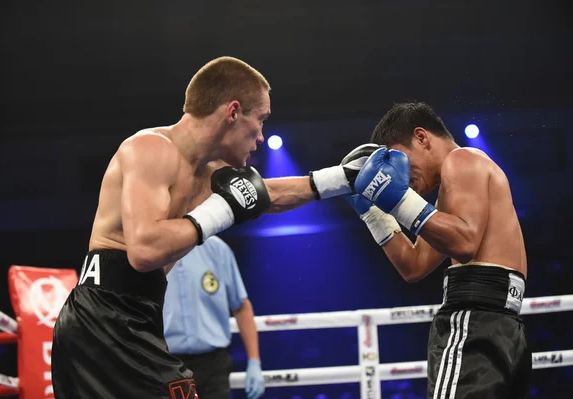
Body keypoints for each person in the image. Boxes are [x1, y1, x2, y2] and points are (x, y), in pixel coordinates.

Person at [51, 55, 376, 398]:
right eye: (261, 120)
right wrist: (220, 211)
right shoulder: (149, 149)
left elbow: (269, 194)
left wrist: (342, 179)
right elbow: (145, 250)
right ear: (233, 112)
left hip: (133, 316)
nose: (262, 137)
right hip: (103, 319)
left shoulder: (207, 173)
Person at [349, 101, 530, 398]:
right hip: (505, 327)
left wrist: (397, 199)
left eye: (401, 160)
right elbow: (414, 265)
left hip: (474, 322)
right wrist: (373, 214)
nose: (400, 176)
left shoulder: (463, 159)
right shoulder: (448, 199)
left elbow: (464, 244)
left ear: (421, 138)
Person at [163, 235, 264, 399]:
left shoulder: (217, 249)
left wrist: (254, 361)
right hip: (166, 364)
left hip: (214, 365)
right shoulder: (151, 250)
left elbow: (241, 306)